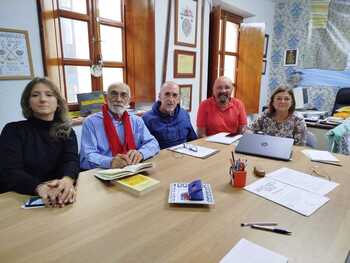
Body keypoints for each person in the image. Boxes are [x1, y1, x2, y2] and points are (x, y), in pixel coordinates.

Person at [0, 77, 79, 207]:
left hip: (59, 197)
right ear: (28, 102)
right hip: (19, 197)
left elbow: (72, 160)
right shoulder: (13, 130)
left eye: (49, 95)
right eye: (35, 95)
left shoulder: (67, 132)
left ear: (58, 102)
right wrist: (39, 187)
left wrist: (67, 179)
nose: (43, 99)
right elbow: (9, 171)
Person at [80, 82, 159, 170]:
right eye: (114, 94)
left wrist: (141, 153)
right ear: (106, 98)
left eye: (123, 95)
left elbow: (153, 143)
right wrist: (110, 162)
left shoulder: (136, 121)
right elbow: (86, 158)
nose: (118, 99)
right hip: (104, 172)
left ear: (129, 100)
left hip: (133, 169)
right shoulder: (90, 122)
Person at [142, 81, 197, 149]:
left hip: (184, 157)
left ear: (179, 99)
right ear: (159, 96)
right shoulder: (146, 119)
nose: (171, 99)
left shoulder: (184, 115)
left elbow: (193, 140)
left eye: (175, 95)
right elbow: (144, 148)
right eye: (167, 94)